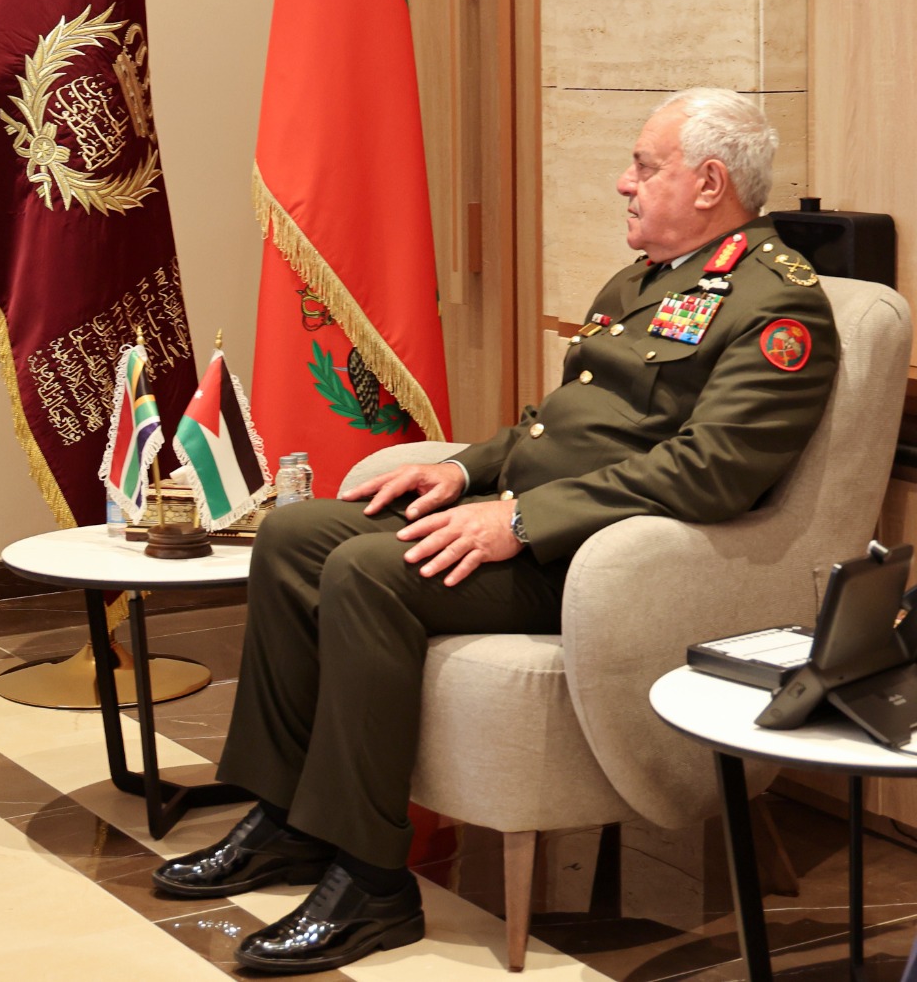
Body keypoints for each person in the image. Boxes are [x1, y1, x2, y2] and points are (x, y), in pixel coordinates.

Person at [152, 88, 840, 973]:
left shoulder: (779, 306)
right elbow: (561, 427)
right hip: (539, 523)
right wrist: (465, 469)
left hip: (606, 563)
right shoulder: (644, 281)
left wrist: (522, 517)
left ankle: (371, 881)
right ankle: (287, 819)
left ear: (710, 183)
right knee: (294, 538)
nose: (622, 182)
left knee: (365, 571)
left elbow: (711, 470)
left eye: (644, 165)